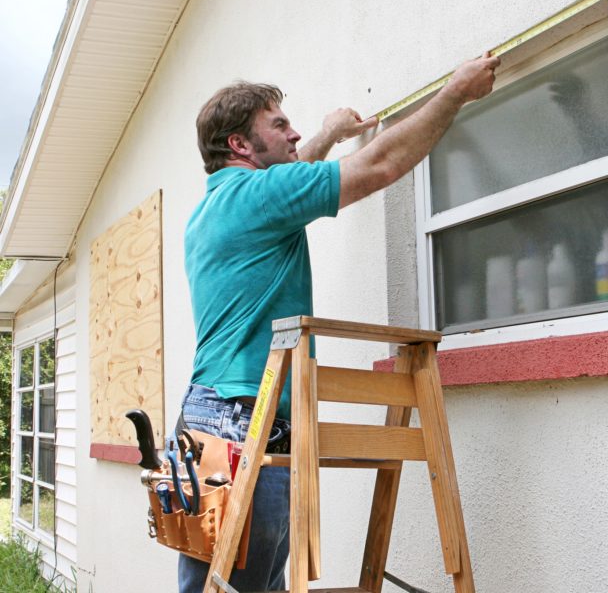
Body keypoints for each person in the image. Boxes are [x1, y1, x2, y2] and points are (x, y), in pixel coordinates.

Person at [176, 51, 500, 592]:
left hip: (209, 418)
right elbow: (379, 166)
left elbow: (293, 175)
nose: (294, 133)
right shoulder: (259, 195)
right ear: (239, 145)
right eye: (278, 125)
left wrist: (327, 133)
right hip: (244, 422)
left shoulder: (214, 206)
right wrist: (455, 92)